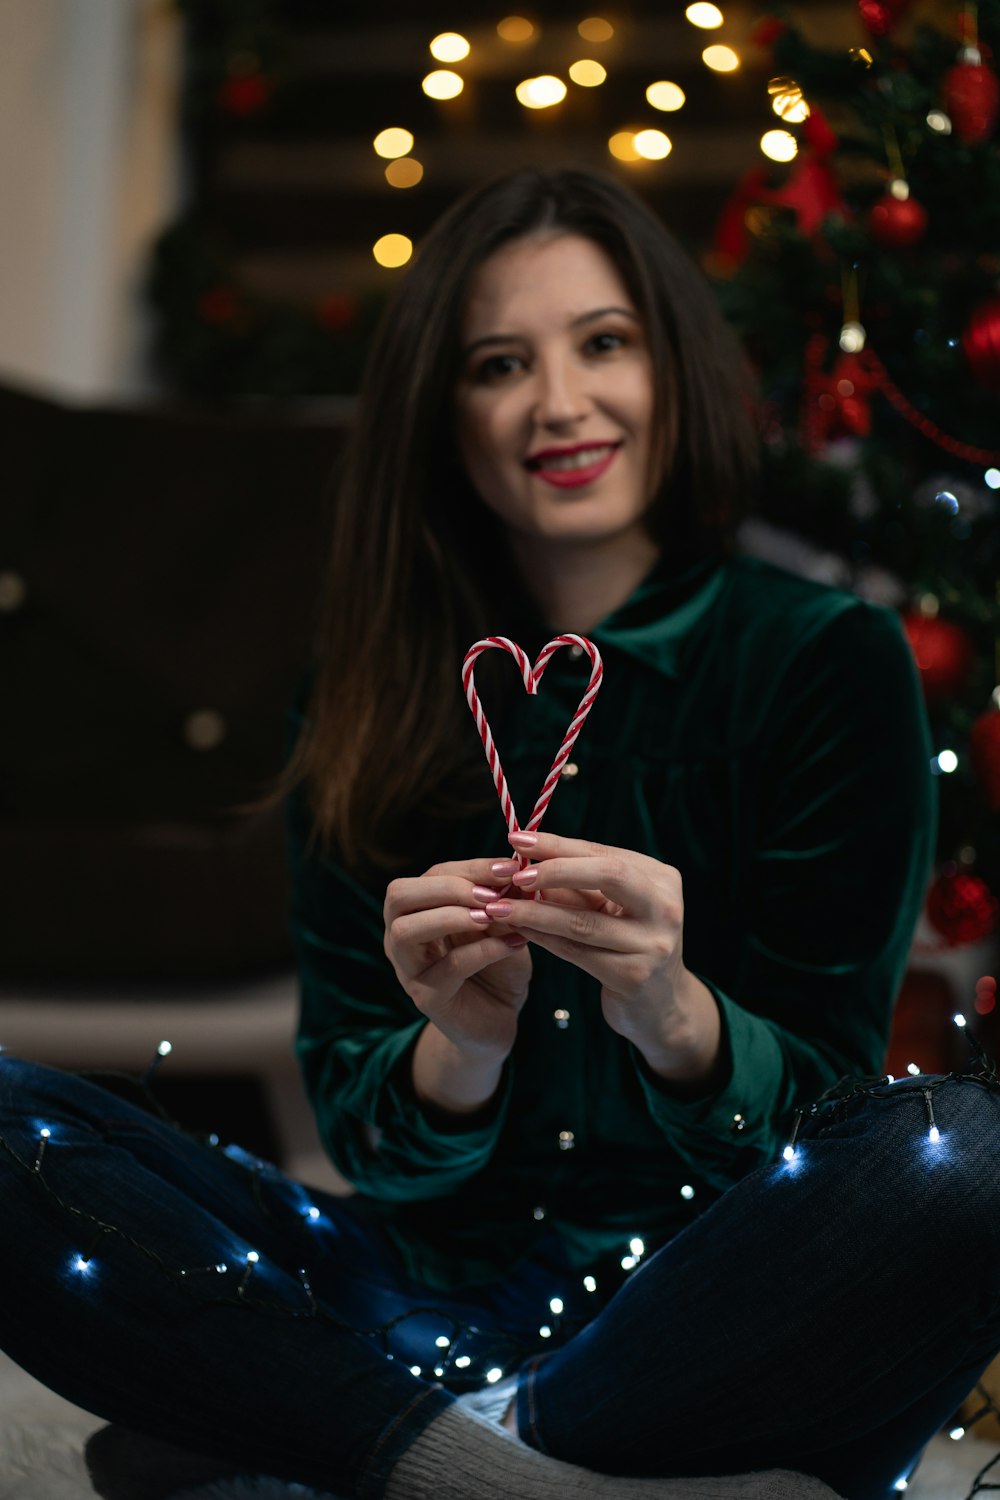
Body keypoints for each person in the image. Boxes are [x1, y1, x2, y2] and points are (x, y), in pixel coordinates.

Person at [0, 166, 996, 1500]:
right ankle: (485, 1473)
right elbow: (363, 1131)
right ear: (443, 415)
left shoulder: (827, 661)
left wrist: (676, 1015)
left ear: (672, 369)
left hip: (708, 1317)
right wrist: (456, 1050)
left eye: (603, 344)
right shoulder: (370, 687)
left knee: (965, 1153)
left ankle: (338, 1445)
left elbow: (826, 1118)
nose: (560, 405)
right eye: (497, 364)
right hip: (412, 1299)